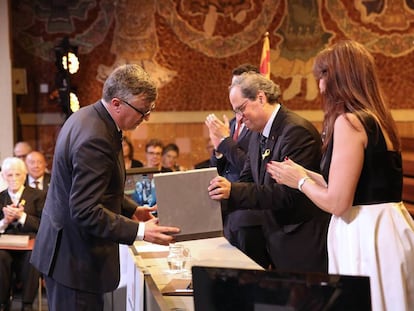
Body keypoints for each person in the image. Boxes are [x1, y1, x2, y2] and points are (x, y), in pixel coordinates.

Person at [267, 40, 414, 310]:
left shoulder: (349, 122)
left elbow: (338, 202)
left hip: (366, 234)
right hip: (388, 226)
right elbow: (357, 184)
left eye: (322, 76)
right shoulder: (377, 118)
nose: (319, 86)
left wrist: (298, 183)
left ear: (338, 76)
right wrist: (305, 174)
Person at [30, 64, 180, 311]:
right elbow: (84, 210)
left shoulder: (88, 115)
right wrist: (140, 231)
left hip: (68, 254)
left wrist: (131, 210)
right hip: (75, 262)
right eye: (143, 111)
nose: (147, 118)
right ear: (117, 103)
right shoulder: (95, 138)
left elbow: (99, 187)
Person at [208, 71, 330, 273]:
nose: (238, 119)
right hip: (276, 237)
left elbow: (287, 194)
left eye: (241, 109)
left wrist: (233, 191)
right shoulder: (258, 133)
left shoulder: (296, 131)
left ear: (261, 98)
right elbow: (248, 179)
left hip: (301, 240)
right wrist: (217, 190)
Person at [206, 63, 270, 268]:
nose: (234, 90)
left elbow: (253, 168)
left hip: (251, 215)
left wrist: (225, 142)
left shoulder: (259, 124)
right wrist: (217, 150)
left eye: (239, 85)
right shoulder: (233, 123)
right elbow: (221, 167)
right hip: (229, 212)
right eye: (232, 84)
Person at [0, 157, 46, 311]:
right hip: (6, 244)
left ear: (25, 175)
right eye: (9, 175)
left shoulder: (38, 196)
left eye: (18, 174)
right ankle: (3, 302)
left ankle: (27, 304)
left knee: (32, 257)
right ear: (3, 176)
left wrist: (22, 217)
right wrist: (5, 220)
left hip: (30, 244)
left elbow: (43, 225)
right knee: (1, 256)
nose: (14, 178)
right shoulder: (0, 197)